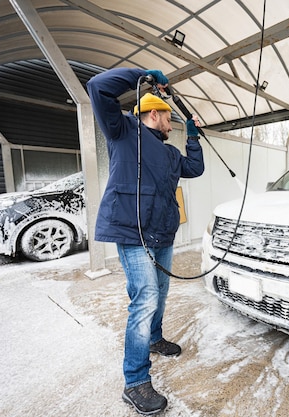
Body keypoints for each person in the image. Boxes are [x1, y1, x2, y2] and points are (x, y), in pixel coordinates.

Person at [86, 67, 204, 415]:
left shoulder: (168, 153)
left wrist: (193, 136)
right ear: (155, 113)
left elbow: (194, 169)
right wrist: (143, 74)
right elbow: (97, 87)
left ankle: (153, 339)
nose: (172, 123)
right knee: (146, 298)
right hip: (132, 231)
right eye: (170, 117)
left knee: (160, 293)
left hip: (162, 232)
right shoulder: (123, 130)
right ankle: (135, 382)